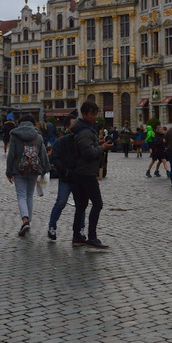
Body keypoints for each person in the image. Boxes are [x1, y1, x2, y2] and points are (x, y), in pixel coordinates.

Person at [69, 101, 114, 249]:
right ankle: (92, 236)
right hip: (86, 172)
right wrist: (102, 147)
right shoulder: (85, 131)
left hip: (80, 172)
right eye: (92, 114)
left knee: (81, 205)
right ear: (85, 114)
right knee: (97, 204)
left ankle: (77, 235)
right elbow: (88, 153)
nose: (95, 117)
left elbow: (87, 147)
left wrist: (98, 143)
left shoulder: (84, 129)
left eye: (96, 113)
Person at [6, 114, 50, 236]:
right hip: (34, 169)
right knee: (29, 195)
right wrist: (45, 169)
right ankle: (28, 222)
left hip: (19, 170)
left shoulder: (14, 136)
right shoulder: (38, 136)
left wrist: (8, 171)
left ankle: (25, 220)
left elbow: (11, 155)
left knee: (21, 195)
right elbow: (43, 154)